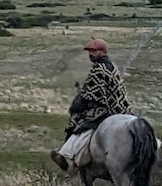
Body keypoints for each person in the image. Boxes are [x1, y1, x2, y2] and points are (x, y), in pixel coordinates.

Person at [52, 38, 131, 171]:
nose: (91, 54)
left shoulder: (99, 69)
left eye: (94, 51)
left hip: (106, 109)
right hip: (123, 108)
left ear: (102, 51)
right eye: (90, 51)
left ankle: (66, 155)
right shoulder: (112, 66)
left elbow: (90, 96)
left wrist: (76, 107)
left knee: (78, 124)